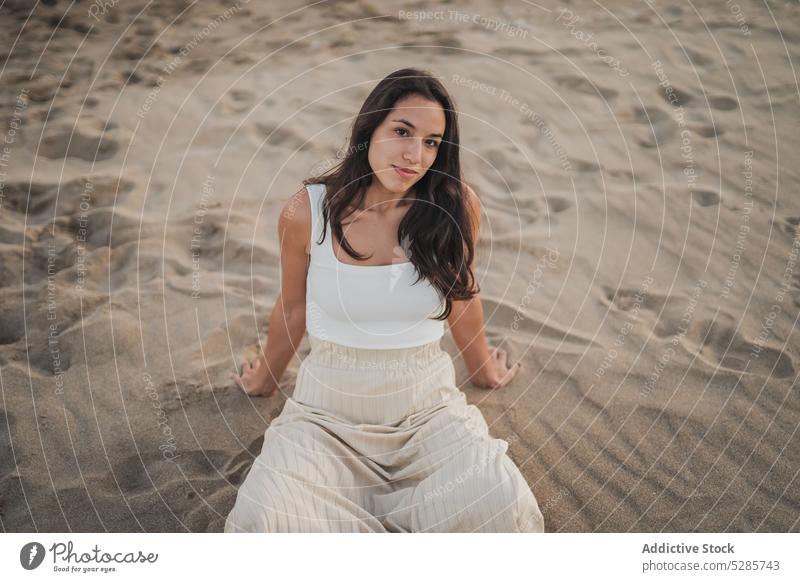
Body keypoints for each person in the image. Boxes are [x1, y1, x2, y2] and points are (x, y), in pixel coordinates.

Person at [224, 68, 545, 533]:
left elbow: (461, 296)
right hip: (325, 418)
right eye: (402, 132)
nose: (416, 156)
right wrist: (264, 381)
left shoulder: (456, 206)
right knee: (269, 520)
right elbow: (293, 306)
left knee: (500, 505)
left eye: (433, 142)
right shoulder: (307, 211)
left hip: (427, 413)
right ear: (369, 129)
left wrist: (482, 370)